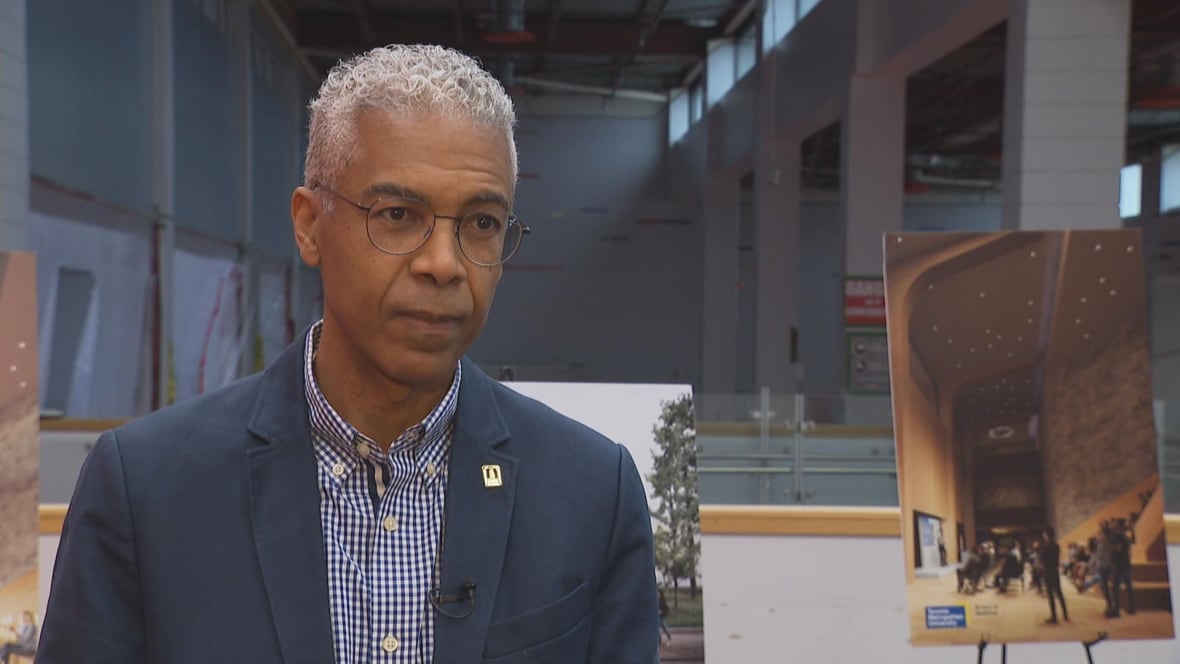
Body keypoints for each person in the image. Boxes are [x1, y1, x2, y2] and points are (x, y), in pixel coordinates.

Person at [37, 44, 658, 663]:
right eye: (397, 214)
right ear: (309, 225)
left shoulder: (593, 493)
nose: (443, 264)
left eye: (482, 223)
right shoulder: (146, 493)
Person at [1041, 528, 1069, 624]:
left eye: (1044, 534)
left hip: (1048, 571)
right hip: (1055, 570)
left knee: (1051, 595)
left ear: (1047, 535)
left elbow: (1043, 558)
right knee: (1059, 592)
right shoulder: (1056, 545)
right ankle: (1065, 614)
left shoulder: (1046, 546)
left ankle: (1054, 617)